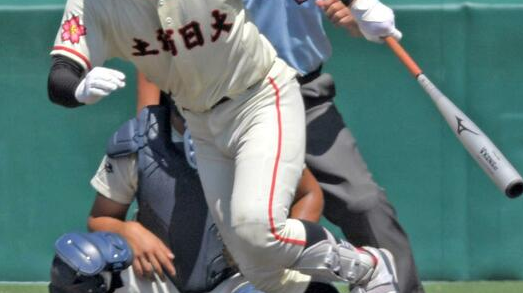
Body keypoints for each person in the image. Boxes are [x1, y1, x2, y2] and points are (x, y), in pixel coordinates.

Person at [47, 0, 402, 291]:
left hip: (259, 97)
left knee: (257, 227)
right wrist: (77, 88)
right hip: (201, 122)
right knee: (258, 265)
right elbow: (60, 73)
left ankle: (366, 265)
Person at [57, 96, 338, 293]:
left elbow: (309, 194)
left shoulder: (254, 135)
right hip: (156, 279)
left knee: (315, 287)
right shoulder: (139, 142)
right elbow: (99, 218)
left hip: (237, 280)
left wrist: (270, 251)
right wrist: (127, 230)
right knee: (79, 266)